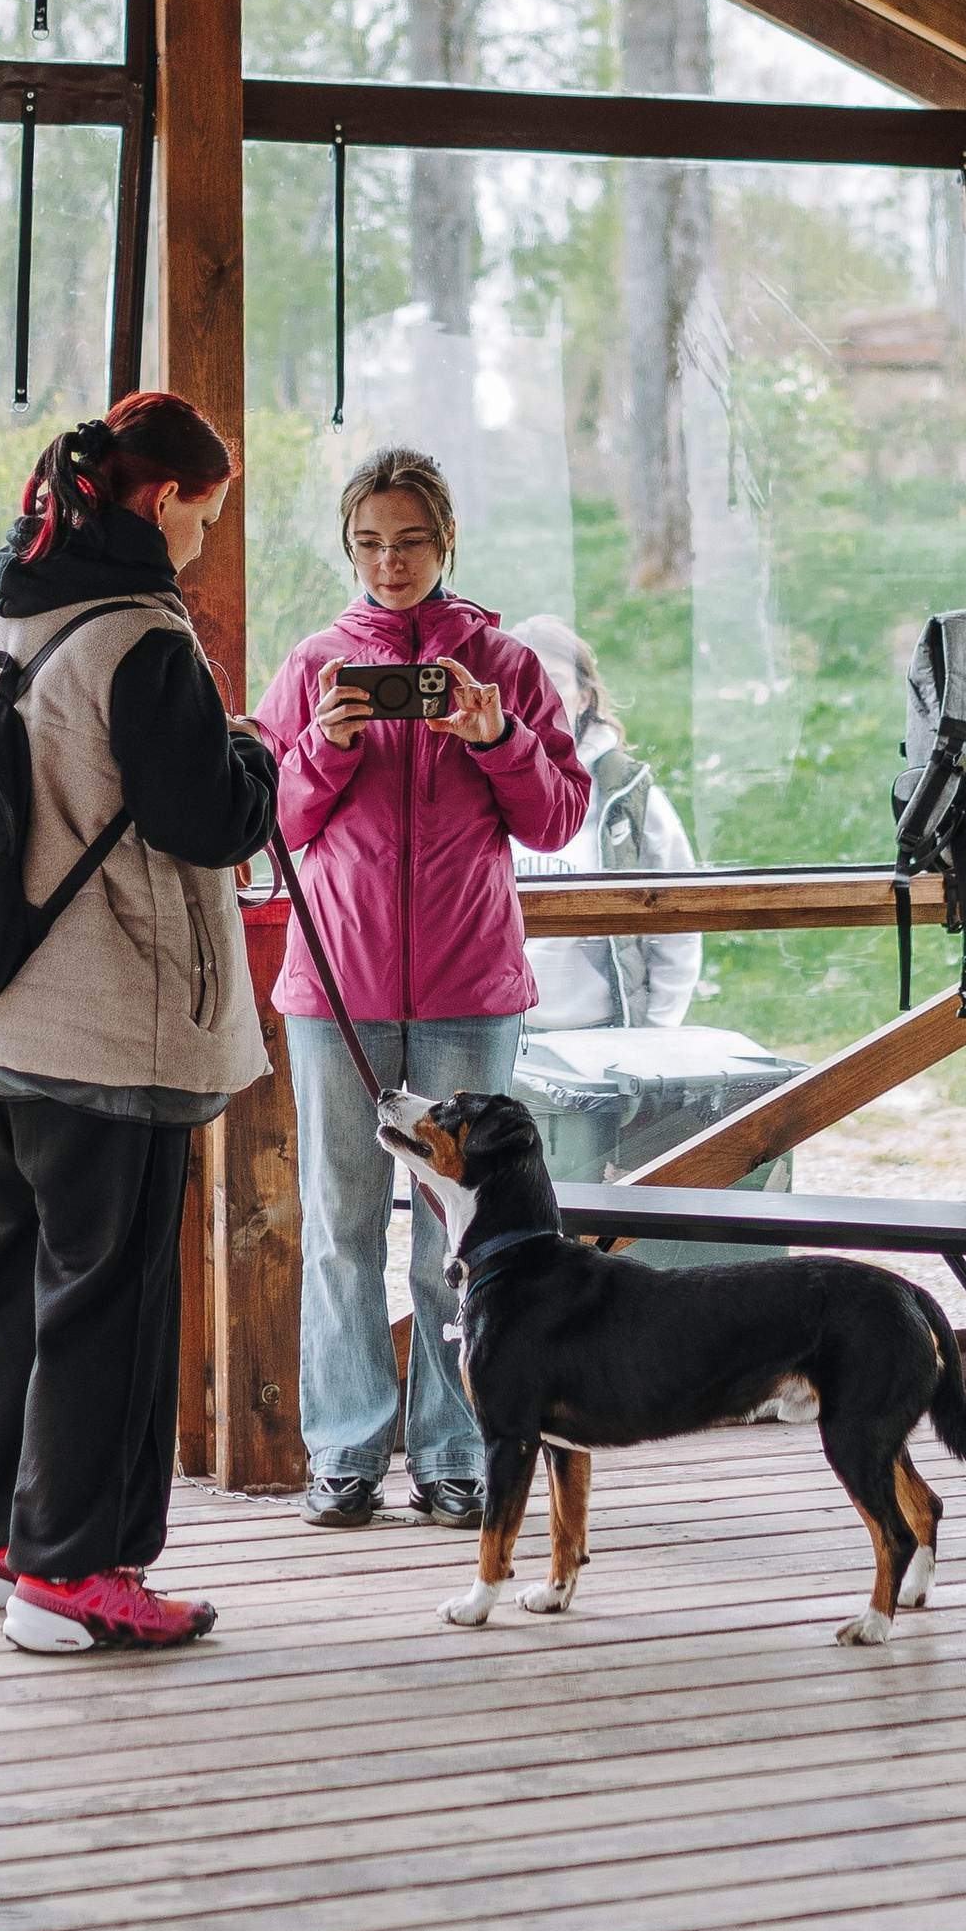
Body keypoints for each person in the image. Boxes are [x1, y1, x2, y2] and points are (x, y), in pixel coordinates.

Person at [0, 393, 279, 1655]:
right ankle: (76, 1570)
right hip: (103, 1030)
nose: (204, 544)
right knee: (104, 1297)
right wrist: (258, 756)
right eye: (205, 519)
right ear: (162, 500)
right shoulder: (140, 639)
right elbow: (206, 820)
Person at [256, 445, 588, 1530]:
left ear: (446, 542)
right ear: (347, 548)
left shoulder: (505, 667)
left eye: (408, 542)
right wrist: (323, 745)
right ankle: (346, 1452)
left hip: (469, 990)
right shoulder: (314, 664)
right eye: (367, 543)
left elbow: (557, 819)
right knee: (341, 1227)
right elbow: (271, 824)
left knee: (459, 1238)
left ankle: (453, 1450)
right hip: (337, 990)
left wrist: (496, 735)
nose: (388, 563)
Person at [508, 615, 703, 1031]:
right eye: (523, 682)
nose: (538, 696)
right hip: (498, 1039)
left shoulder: (627, 793)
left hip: (606, 1036)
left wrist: (657, 1030)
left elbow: (680, 917)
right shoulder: (469, 790)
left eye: (554, 680)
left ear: (583, 697)